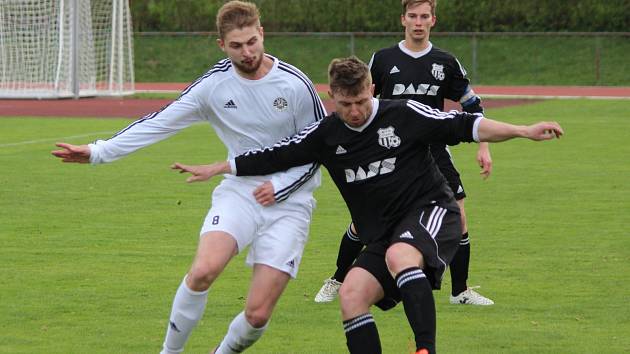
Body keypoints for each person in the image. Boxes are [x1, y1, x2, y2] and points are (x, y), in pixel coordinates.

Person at [170, 56, 563, 354]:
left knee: (400, 256)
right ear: (331, 97)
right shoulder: (326, 134)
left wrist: (523, 131)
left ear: (372, 88)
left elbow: (467, 124)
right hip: (383, 232)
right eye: (345, 104)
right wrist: (223, 165)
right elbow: (278, 154)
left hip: (431, 211)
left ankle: (425, 349)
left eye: (360, 100)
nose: (354, 111)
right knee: (352, 294)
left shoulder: (404, 114)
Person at [51, 1, 326, 353]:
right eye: (237, 46)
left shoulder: (295, 84)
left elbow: (319, 148)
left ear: (262, 34)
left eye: (252, 42)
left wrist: (281, 186)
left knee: (256, 316)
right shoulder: (213, 87)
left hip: (291, 201)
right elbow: (158, 122)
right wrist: (98, 151)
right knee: (202, 271)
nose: (247, 52)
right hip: (240, 192)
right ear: (221, 45)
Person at [315, 0, 494, 306]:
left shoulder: (446, 62)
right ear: (403, 20)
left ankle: (460, 291)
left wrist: (484, 146)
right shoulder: (383, 60)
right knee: (364, 221)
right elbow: (358, 100)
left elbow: (472, 105)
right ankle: (337, 279)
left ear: (433, 21)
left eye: (424, 16)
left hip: (433, 150)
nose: (418, 22)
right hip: (387, 149)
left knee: (459, 216)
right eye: (413, 16)